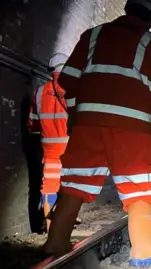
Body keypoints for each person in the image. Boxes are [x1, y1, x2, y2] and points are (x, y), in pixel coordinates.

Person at [41, 0, 151, 266]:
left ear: (126, 9)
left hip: (88, 124)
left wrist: (80, 112)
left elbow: (67, 79)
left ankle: (56, 240)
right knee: (139, 188)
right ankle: (143, 248)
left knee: (74, 183)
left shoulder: (92, 35)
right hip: (132, 128)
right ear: (150, 20)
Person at [27, 53, 81, 232]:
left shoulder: (39, 92)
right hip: (69, 146)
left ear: (51, 71)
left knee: (49, 184)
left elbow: (32, 123)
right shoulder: (73, 89)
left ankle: (51, 226)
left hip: (49, 147)